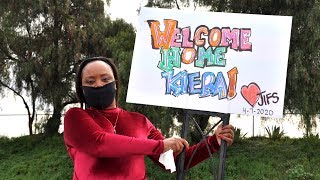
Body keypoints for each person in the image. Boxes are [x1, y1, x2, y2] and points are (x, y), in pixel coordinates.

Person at [63, 56, 234, 180]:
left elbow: (174, 161)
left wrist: (213, 142)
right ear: (82, 89)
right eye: (90, 81)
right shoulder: (75, 117)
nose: (98, 84)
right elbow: (100, 144)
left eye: (105, 79)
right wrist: (159, 145)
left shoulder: (140, 121)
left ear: (115, 84)